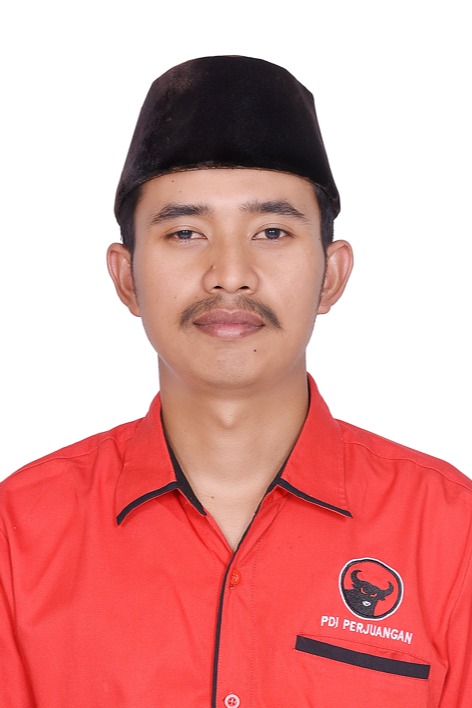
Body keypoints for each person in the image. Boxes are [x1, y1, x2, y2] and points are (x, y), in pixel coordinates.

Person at [0, 55, 470, 708]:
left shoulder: (450, 533)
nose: (229, 274)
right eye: (185, 232)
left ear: (331, 275)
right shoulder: (20, 535)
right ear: (127, 278)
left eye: (272, 232)